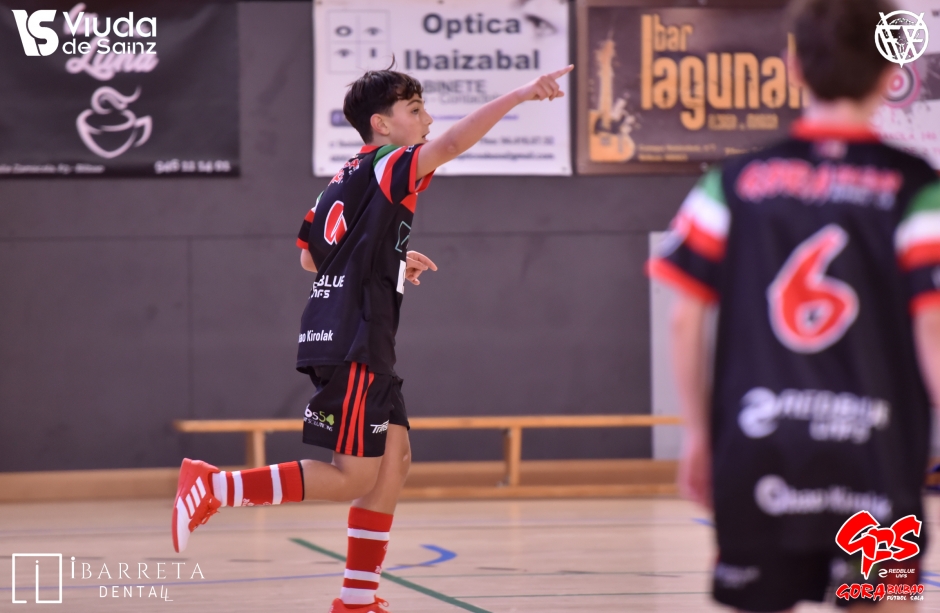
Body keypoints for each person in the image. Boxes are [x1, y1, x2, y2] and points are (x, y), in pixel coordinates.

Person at [170, 62, 573, 613]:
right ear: (382, 125)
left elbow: (311, 256)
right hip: (354, 336)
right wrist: (522, 94)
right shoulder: (389, 164)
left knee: (393, 459)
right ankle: (213, 487)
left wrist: (390, 258)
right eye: (416, 110)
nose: (428, 120)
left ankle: (357, 600)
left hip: (351, 333)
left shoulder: (342, 179)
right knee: (351, 476)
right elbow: (455, 143)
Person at [648, 0, 940, 610]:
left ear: (792, 67)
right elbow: (931, 327)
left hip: (760, 444)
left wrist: (698, 434)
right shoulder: (918, 189)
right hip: (877, 453)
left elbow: (683, 318)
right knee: (883, 601)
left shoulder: (732, 183)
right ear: (891, 75)